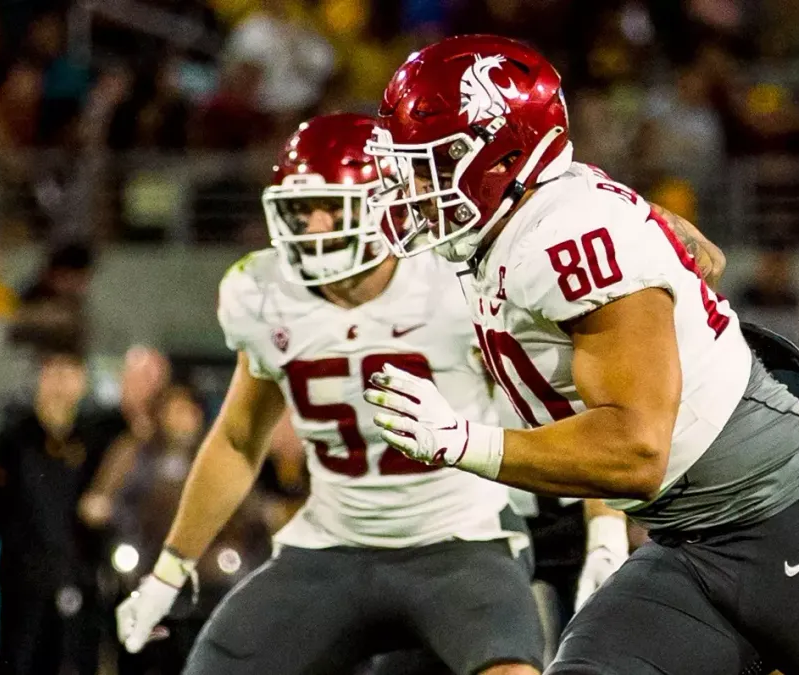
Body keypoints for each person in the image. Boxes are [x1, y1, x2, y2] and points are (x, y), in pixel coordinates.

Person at [363, 35, 799, 675]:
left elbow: (637, 450)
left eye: (433, 161)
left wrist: (462, 443)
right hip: (692, 551)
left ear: (504, 155)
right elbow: (696, 250)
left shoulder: (565, 236)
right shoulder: (531, 216)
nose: (413, 187)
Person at [113, 113, 554, 675]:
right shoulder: (264, 292)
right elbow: (237, 440)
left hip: (460, 539)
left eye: (330, 207)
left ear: (384, 207)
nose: (314, 224)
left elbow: (557, 400)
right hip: (332, 545)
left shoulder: (453, 278)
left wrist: (606, 530)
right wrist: (169, 571)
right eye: (301, 209)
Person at [0, 347, 125, 675]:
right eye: (53, 372)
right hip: (24, 579)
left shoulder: (94, 439)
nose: (61, 383)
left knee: (76, 661)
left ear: (82, 381)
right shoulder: (13, 437)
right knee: (19, 661)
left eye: (69, 373)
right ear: (40, 378)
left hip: (80, 575)